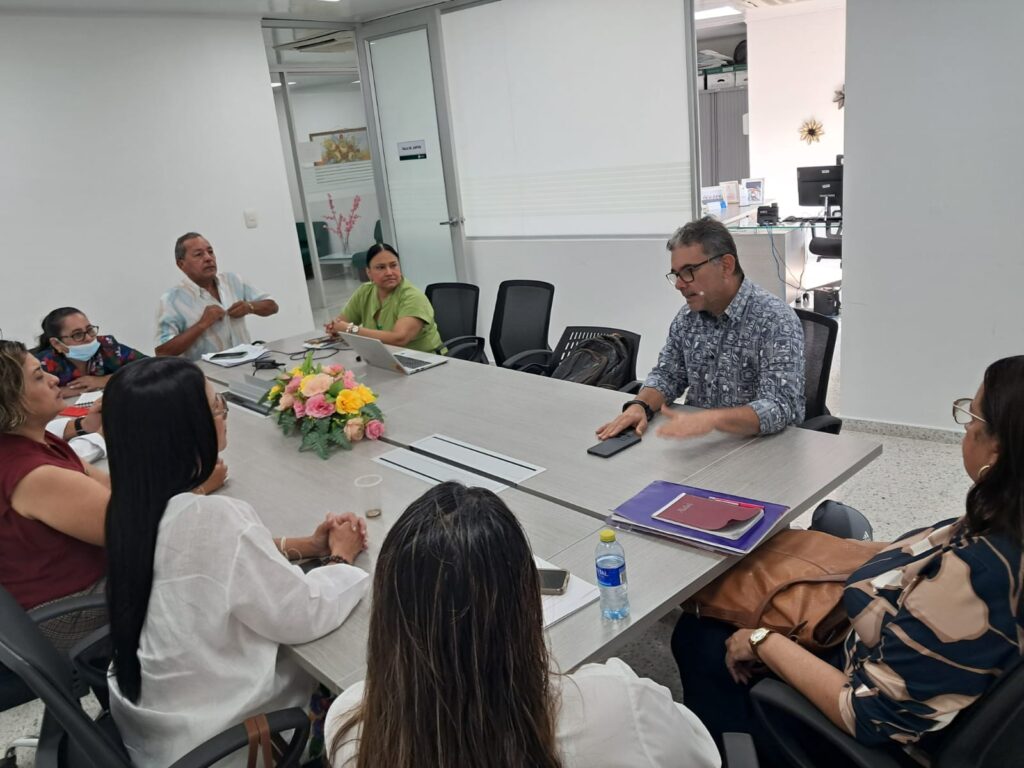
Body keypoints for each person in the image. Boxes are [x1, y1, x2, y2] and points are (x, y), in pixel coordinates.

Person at [673, 355, 1024, 765]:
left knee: (699, 638)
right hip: (894, 638)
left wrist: (760, 640)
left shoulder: (978, 575)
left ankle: (727, 750)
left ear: (997, 449)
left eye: (971, 415)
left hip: (866, 701)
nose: (964, 427)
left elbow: (870, 717)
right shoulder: (1007, 514)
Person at [325, 481, 720, 768]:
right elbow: (702, 754)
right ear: (526, 602)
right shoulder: (617, 705)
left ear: (392, 614)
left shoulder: (350, 726)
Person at [103, 356, 369, 767]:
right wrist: (340, 557)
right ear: (186, 430)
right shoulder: (213, 518)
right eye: (216, 407)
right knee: (374, 691)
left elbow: (214, 563)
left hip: (161, 730)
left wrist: (309, 547)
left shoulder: (132, 506)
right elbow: (303, 615)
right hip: (232, 740)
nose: (223, 415)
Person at [596, 217, 804, 442]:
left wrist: (711, 419)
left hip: (762, 448)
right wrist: (639, 405)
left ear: (726, 265)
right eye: (676, 274)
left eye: (689, 271)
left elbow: (780, 406)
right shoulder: (687, 318)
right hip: (702, 445)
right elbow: (668, 375)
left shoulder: (774, 319)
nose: (679, 284)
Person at [0, 340, 109, 648]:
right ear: (9, 400)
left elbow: (110, 488)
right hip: (69, 610)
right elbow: (135, 530)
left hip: (78, 587)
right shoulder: (32, 473)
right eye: (38, 377)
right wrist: (198, 486)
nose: (54, 379)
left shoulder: (37, 438)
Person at [155, 232, 279, 360]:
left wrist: (250, 307)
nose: (208, 258)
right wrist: (202, 325)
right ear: (181, 265)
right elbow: (162, 352)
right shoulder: (172, 300)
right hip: (206, 376)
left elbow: (273, 306)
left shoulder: (233, 280)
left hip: (247, 365)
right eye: (199, 254)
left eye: (210, 252)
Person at [323, 243, 444, 353]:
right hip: (384, 357)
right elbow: (342, 323)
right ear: (368, 272)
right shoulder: (365, 291)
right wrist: (335, 327)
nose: (389, 272)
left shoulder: (413, 297)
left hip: (424, 359)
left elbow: (399, 339)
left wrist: (350, 329)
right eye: (381, 267)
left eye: (393, 265)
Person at [33, 306, 145, 393]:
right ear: (57, 344)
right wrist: (64, 391)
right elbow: (25, 396)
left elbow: (148, 366)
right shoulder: (43, 363)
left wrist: (105, 380)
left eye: (89, 330)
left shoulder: (108, 346)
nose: (88, 338)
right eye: (77, 335)